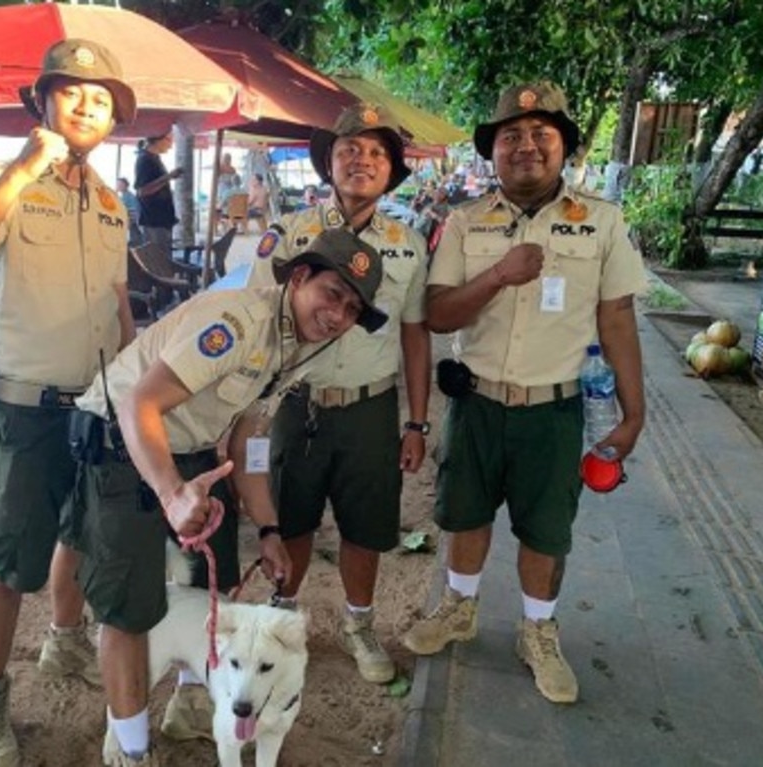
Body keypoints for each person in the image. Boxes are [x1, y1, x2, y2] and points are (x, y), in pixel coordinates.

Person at [70, 228, 388, 766]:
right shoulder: (239, 322)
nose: (337, 315)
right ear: (301, 277)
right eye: (333, 294)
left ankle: (192, 704)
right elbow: (138, 406)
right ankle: (130, 751)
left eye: (353, 308)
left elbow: (248, 437)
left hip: (192, 448)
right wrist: (172, 495)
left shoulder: (301, 347)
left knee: (210, 586)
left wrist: (268, 530)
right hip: (118, 443)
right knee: (129, 609)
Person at [0, 38, 138, 767]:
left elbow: (117, 310)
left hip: (97, 407)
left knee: (78, 534)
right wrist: (21, 168)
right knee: (10, 563)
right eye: (73, 90)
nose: (88, 105)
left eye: (102, 97)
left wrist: (133, 375)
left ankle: (64, 641)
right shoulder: (5, 181)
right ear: (42, 100)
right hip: (25, 408)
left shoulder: (112, 203)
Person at [402, 81, 646, 704]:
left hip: (555, 410)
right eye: (511, 135)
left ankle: (537, 631)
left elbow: (617, 318)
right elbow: (438, 314)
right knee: (465, 514)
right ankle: (459, 608)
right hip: (477, 403)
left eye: (542, 134)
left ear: (563, 146)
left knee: (546, 530)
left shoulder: (603, 222)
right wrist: (498, 275)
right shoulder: (464, 221)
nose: (526, 146)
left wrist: (633, 410)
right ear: (494, 151)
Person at [248, 102, 431, 685]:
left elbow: (414, 333)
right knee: (290, 522)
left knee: (366, 526)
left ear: (390, 171)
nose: (362, 160)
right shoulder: (290, 234)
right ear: (329, 161)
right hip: (295, 405)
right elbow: (258, 321)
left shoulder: (409, 242)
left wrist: (416, 422)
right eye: (349, 149)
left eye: (376, 153)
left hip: (371, 409)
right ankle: (279, 625)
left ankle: (359, 625)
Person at [134, 132, 181, 259]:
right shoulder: (145, 160)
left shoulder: (153, 158)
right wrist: (168, 177)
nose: (170, 145)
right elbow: (143, 191)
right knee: (158, 260)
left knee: (162, 257)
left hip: (160, 219)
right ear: (159, 139)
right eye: (169, 140)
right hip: (153, 219)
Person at [117, 177, 143, 247]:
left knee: (134, 244)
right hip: (127, 224)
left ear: (126, 185)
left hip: (132, 224)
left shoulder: (130, 197)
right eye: (118, 184)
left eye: (120, 184)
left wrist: (130, 222)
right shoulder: (123, 196)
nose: (118, 186)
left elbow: (134, 211)